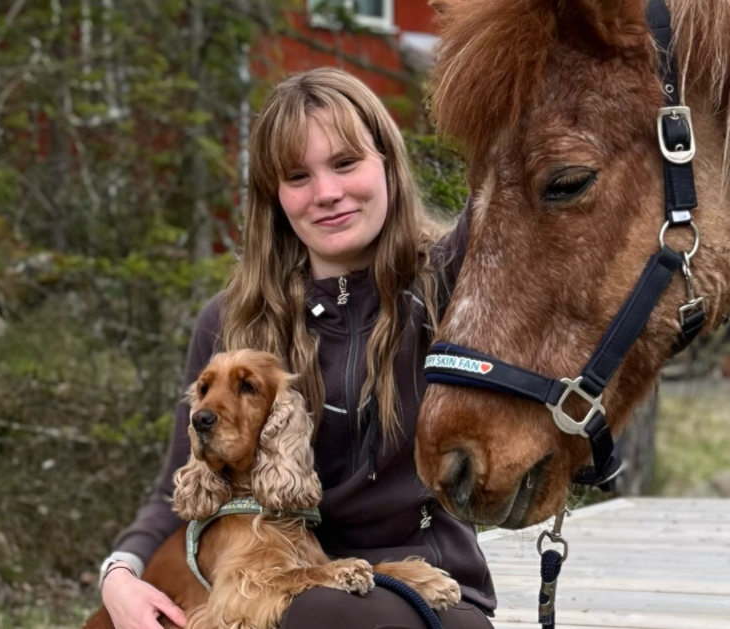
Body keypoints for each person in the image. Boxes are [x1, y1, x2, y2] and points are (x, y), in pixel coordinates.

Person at [95, 67, 491, 629]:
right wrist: (119, 575)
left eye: (346, 163)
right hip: (283, 581)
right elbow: (174, 488)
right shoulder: (232, 320)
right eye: (298, 176)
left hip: (430, 582)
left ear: (386, 162)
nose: (327, 194)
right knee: (320, 611)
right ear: (274, 196)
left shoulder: (452, 280)